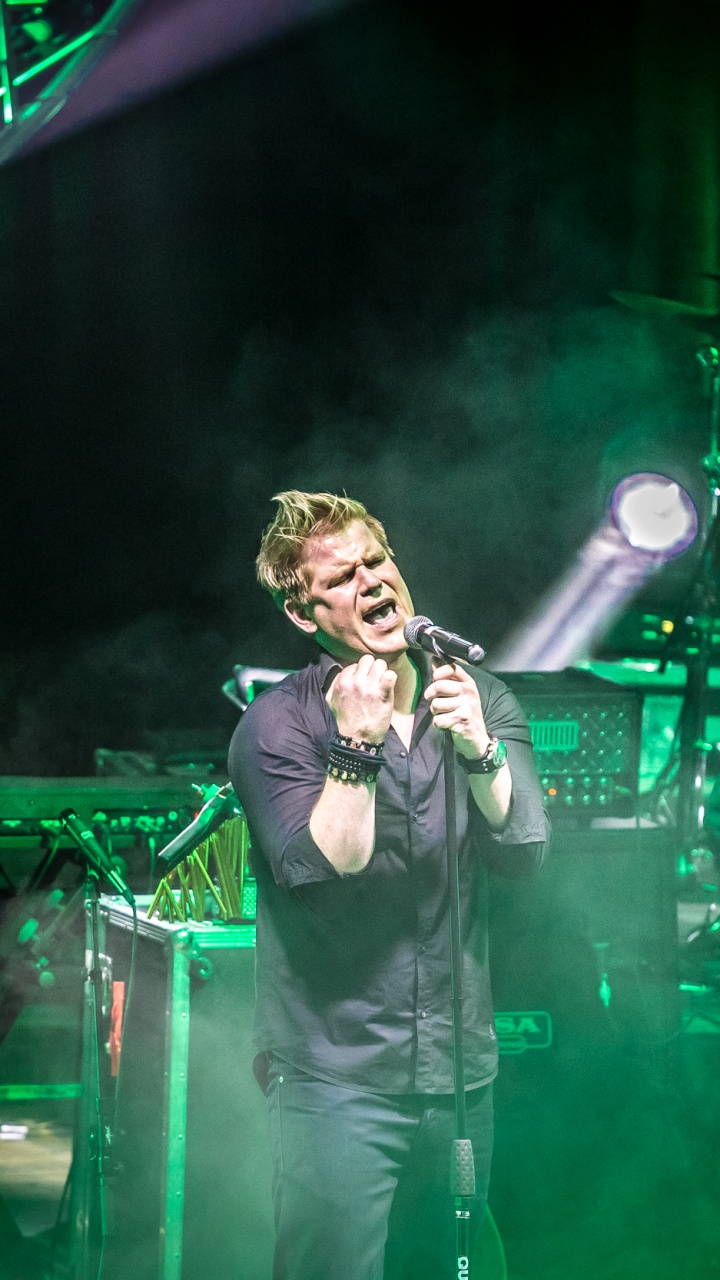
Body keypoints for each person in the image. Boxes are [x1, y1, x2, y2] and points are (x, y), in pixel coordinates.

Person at [228, 490, 550, 1280]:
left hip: (460, 1075)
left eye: (376, 561)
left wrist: (479, 749)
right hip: (336, 1081)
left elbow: (524, 849)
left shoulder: (479, 698)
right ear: (303, 613)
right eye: (341, 577)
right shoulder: (278, 724)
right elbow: (324, 869)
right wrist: (357, 747)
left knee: (449, 1268)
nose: (370, 581)